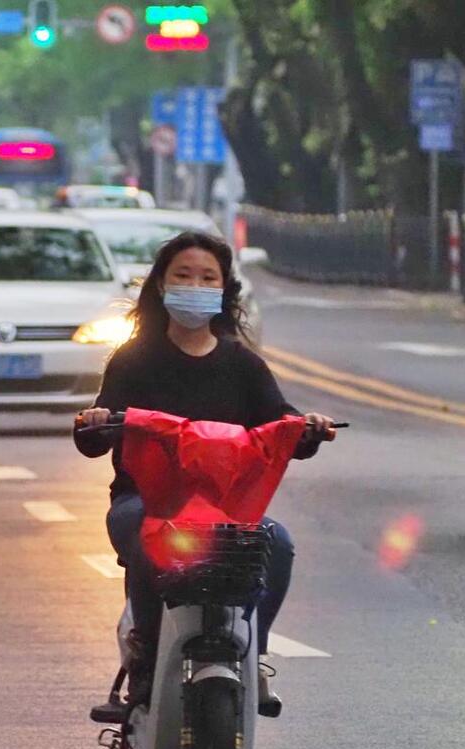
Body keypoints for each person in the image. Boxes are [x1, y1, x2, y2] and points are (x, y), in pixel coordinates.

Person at [74, 231, 338, 712]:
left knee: (275, 543)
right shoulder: (133, 362)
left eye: (206, 277)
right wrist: (95, 423)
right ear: (160, 286)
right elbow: (96, 433)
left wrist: (309, 428)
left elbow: (282, 423)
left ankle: (253, 656)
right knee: (144, 537)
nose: (195, 285)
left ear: (224, 289)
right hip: (146, 501)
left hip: (228, 510)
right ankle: (146, 659)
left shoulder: (244, 366)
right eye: (183, 276)